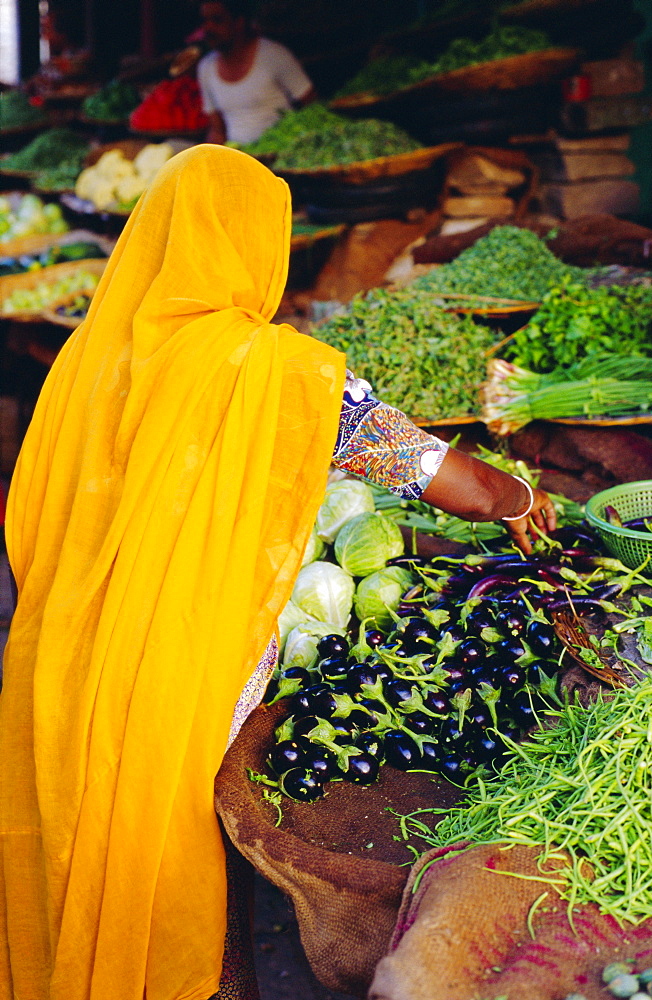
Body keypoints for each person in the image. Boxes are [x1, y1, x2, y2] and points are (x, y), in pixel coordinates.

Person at [0, 145, 554, 1000]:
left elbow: (30, 512)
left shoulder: (87, 360)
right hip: (174, 672)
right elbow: (458, 486)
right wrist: (519, 497)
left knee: (78, 854)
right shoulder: (281, 373)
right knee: (172, 891)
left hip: (63, 658)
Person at [197, 0, 316, 145]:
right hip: (238, 157)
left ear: (239, 23)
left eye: (217, 20)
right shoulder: (205, 68)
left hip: (281, 152)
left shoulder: (274, 55)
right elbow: (217, 130)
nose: (208, 27)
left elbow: (313, 107)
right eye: (204, 21)